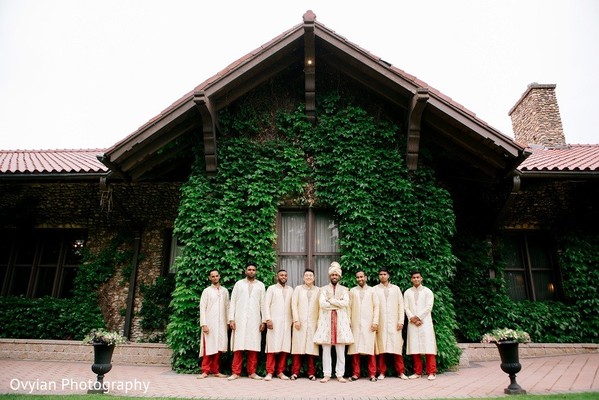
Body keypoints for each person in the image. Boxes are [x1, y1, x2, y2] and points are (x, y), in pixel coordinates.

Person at [313, 261, 354, 383]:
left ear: (339, 276)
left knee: (340, 351)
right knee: (326, 350)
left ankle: (340, 374)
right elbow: (322, 304)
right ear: (329, 276)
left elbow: (346, 303)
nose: (334, 277)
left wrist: (330, 300)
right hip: (326, 324)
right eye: (332, 275)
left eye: (336, 275)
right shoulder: (323, 289)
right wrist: (337, 303)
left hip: (340, 324)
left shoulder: (345, 289)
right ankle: (327, 374)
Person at [227, 263, 266, 380]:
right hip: (239, 319)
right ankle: (235, 372)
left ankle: (252, 372)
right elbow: (232, 302)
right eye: (249, 269)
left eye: (253, 270)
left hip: (255, 319)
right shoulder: (239, 284)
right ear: (245, 271)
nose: (251, 271)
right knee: (238, 347)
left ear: (256, 272)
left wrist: (263, 320)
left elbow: (263, 304)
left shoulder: (260, 285)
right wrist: (231, 319)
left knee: (253, 346)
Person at [374, 267, 409, 380]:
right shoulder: (374, 289)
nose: (382, 276)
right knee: (381, 349)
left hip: (394, 323)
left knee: (397, 348)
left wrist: (401, 321)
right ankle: (381, 372)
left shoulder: (396, 289)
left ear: (388, 275)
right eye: (380, 274)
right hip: (381, 323)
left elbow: (401, 306)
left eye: (384, 274)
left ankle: (400, 372)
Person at [404, 270, 438, 381]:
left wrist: (418, 317)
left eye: (418, 277)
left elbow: (429, 307)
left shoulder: (427, 291)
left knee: (428, 347)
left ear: (421, 278)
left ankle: (431, 372)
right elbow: (406, 307)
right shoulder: (407, 292)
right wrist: (413, 319)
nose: (416, 279)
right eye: (414, 277)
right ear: (411, 279)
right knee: (415, 348)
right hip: (413, 323)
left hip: (425, 322)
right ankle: (417, 372)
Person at [347, 270, 380, 382]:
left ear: (366, 277)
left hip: (369, 324)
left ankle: (372, 374)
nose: (360, 279)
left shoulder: (372, 290)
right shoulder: (352, 291)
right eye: (358, 277)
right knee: (355, 350)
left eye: (362, 277)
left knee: (370, 349)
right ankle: (356, 374)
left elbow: (376, 307)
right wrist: (349, 322)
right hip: (355, 324)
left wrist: (375, 322)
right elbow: (349, 308)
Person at [197, 269, 230, 379]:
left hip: (221, 323)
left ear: (219, 276)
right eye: (213, 276)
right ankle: (205, 371)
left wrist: (228, 322)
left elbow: (227, 307)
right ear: (209, 278)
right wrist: (204, 324)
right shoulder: (206, 291)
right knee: (208, 347)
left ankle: (216, 371)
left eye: (217, 276)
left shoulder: (225, 291)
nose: (215, 278)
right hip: (210, 323)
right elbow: (202, 308)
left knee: (219, 347)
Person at [263, 269, 293, 381]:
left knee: (284, 348)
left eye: (285, 275)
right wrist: (268, 319)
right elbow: (266, 304)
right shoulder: (271, 289)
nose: (283, 277)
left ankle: (280, 372)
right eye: (281, 275)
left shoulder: (291, 290)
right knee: (272, 347)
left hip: (287, 322)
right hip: (274, 322)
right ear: (277, 277)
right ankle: (269, 372)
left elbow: (292, 306)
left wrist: (293, 321)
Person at [290, 269, 320, 381]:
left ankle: (311, 373)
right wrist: (296, 320)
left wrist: (318, 323)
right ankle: (295, 372)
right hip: (300, 323)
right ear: (303, 277)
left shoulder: (318, 290)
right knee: (298, 349)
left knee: (311, 350)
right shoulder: (298, 289)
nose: (308, 277)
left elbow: (320, 307)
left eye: (310, 275)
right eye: (306, 275)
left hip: (313, 323)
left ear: (314, 278)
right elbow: (293, 304)